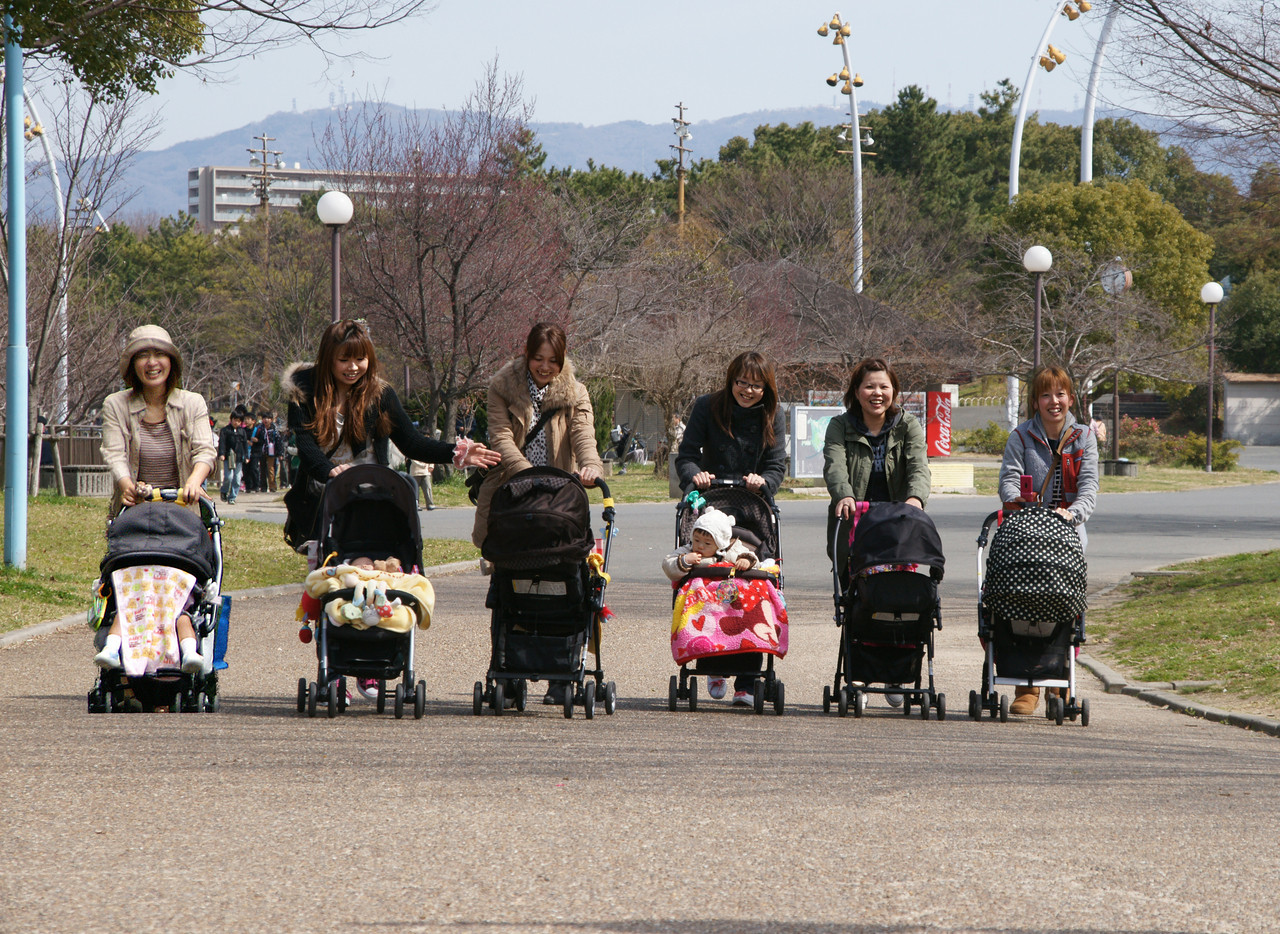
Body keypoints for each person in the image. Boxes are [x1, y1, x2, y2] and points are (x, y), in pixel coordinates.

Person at [471, 322, 604, 704]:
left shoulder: (574, 392)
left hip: (558, 501)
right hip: (512, 497)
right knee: (510, 585)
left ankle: (562, 669)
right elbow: (500, 437)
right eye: (538, 358)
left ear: (562, 360)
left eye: (553, 360)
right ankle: (509, 670)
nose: (545, 367)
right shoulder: (503, 387)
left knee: (563, 581)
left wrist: (590, 466)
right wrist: (529, 477)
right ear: (526, 354)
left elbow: (583, 436)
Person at [95, 324, 217, 673]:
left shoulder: (192, 403)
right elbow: (114, 452)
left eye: (159, 354)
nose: (152, 363)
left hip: (183, 518)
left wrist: (194, 481)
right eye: (143, 356)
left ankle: (186, 652)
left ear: (171, 361)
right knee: (130, 585)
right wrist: (125, 483)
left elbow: (204, 450)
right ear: (131, 364)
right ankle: (120, 657)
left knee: (183, 587)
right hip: (136, 516)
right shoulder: (116, 404)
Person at [674, 351, 786, 704]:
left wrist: (764, 482)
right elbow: (687, 455)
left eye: (756, 385)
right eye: (741, 382)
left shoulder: (773, 414)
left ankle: (747, 680)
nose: (748, 390)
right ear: (730, 380)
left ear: (767, 388)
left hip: (752, 512)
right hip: (711, 506)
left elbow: (776, 464)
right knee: (708, 586)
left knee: (750, 591)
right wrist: (695, 475)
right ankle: (712, 661)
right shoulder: (707, 406)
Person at [822, 356, 932, 707]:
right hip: (855, 526)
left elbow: (919, 466)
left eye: (884, 386)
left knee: (898, 600)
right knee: (860, 601)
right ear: (856, 391)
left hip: (898, 529)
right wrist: (845, 495)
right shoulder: (840, 426)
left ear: (894, 391)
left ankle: (898, 674)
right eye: (869, 386)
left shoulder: (908, 425)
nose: (877, 393)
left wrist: (915, 499)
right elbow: (835, 466)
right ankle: (860, 673)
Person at [998, 365, 1099, 715]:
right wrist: (1019, 500)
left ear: (1070, 398)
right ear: (1035, 401)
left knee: (1066, 603)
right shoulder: (1021, 436)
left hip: (1068, 533)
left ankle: (1061, 682)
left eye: (1060, 394)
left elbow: (1089, 487)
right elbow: (1008, 481)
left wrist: (1072, 514)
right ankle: (1027, 685)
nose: (1053, 401)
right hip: (1027, 531)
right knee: (1022, 599)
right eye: (1045, 395)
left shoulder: (1083, 437)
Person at [661, 507, 758, 581]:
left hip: (726, 593)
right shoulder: (688, 551)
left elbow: (757, 563)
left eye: (707, 543)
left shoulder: (730, 551)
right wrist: (684, 561)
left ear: (720, 544)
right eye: (696, 540)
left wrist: (746, 561)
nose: (700, 546)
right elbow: (668, 565)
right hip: (695, 593)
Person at [218, 408, 247, 503]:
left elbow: (245, 445)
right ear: (231, 419)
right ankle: (224, 491)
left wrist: (246, 456)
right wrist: (221, 454)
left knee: (237, 479)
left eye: (239, 421)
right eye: (235, 420)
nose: (236, 422)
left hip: (239, 457)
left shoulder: (242, 432)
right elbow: (222, 443)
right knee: (228, 477)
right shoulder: (225, 430)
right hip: (228, 457)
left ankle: (232, 497)